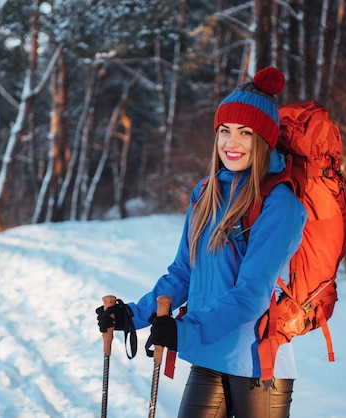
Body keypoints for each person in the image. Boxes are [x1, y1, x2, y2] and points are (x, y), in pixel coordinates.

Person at [96, 66, 307, 418]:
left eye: (245, 133)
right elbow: (183, 273)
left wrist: (185, 331)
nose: (231, 143)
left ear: (264, 140)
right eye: (224, 131)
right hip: (211, 353)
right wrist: (132, 315)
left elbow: (251, 294)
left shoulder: (279, 204)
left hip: (258, 364)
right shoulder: (206, 192)